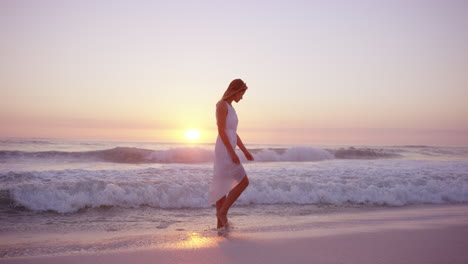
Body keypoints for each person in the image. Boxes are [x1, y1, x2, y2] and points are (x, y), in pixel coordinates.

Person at [208, 79, 254, 229]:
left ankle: (221, 229)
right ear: (236, 90)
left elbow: (233, 133)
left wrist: (245, 151)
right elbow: (221, 131)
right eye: (242, 93)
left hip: (229, 149)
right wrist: (231, 152)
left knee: (222, 188)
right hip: (224, 150)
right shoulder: (222, 105)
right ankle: (223, 213)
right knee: (244, 181)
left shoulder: (231, 108)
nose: (242, 97)